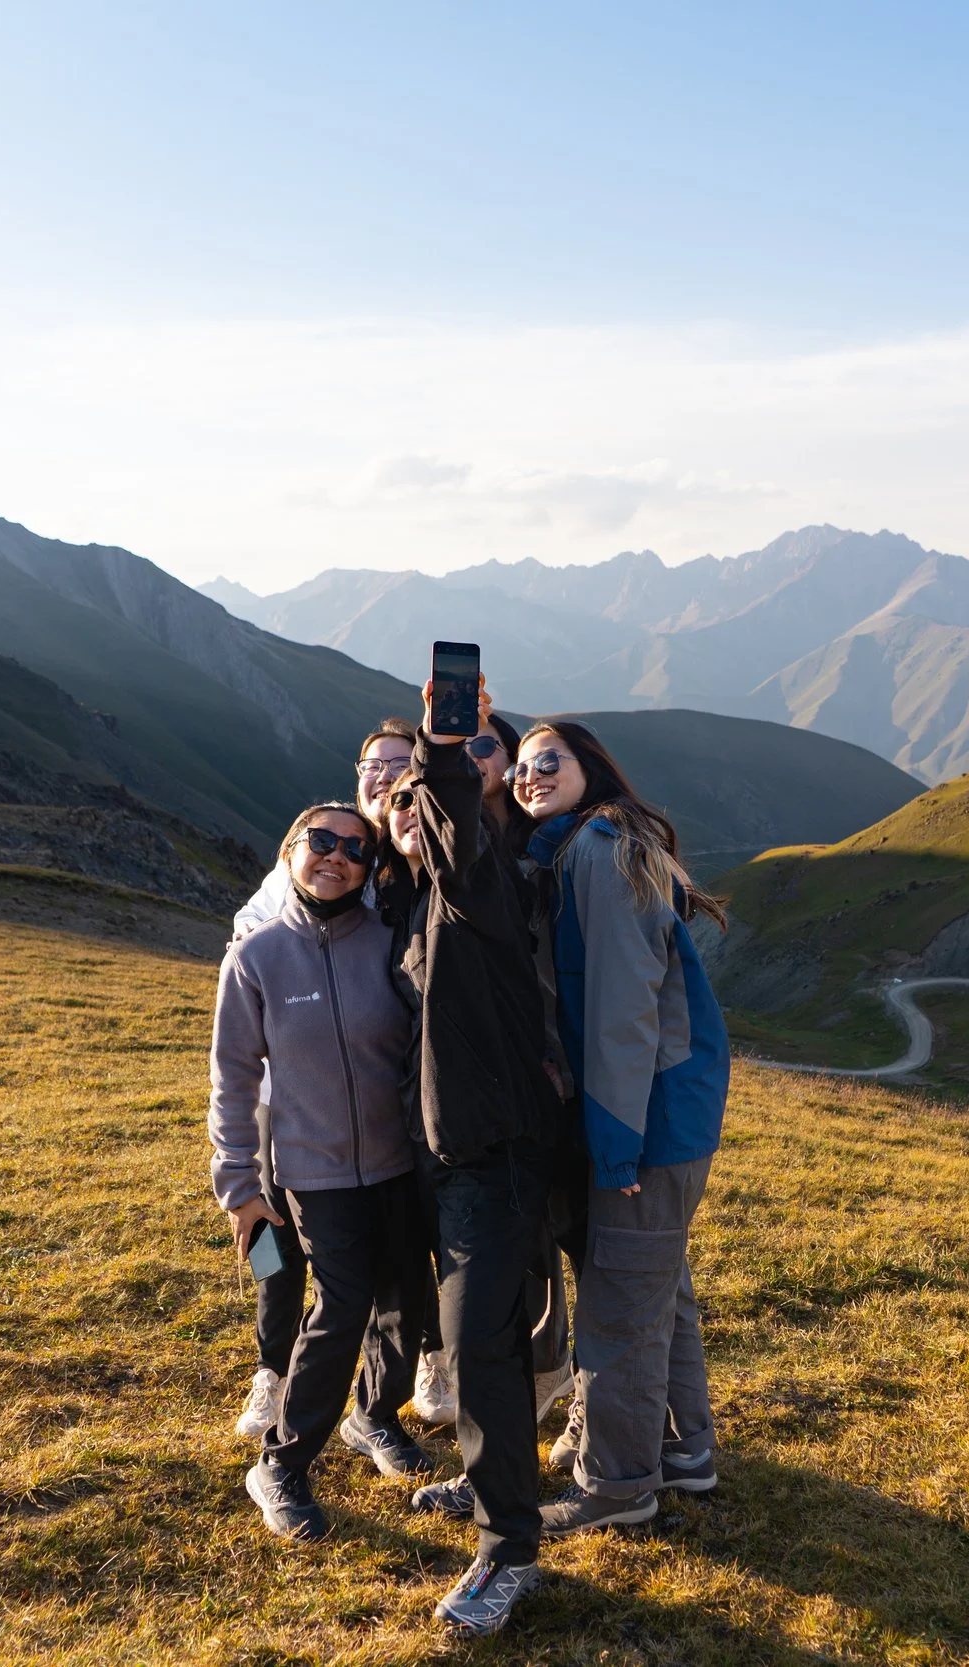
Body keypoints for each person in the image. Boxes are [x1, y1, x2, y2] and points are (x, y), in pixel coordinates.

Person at [512, 719, 730, 1536]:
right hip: (671, 1115)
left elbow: (620, 1016)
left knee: (616, 1308)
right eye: (522, 768)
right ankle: (685, 1451)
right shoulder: (595, 846)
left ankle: (618, 1485)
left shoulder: (598, 854)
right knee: (658, 1289)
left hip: (647, 1122)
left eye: (549, 761)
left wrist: (615, 1149)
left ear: (590, 768)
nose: (530, 775)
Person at [386, 681, 563, 1636]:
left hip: (492, 1158)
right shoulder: (414, 904)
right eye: (405, 803)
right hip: (440, 1157)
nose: (424, 811)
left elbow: (455, 829)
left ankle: (508, 1553)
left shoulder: (487, 887)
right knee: (463, 1339)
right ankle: (494, 1487)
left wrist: (446, 747)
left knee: (480, 1346)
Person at [210, 803, 432, 1542]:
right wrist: (238, 1186)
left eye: (353, 848)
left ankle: (372, 1416)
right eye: (321, 842)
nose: (335, 856)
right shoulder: (257, 956)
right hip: (315, 1171)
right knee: (341, 1308)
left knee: (408, 1301)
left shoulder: (391, 943)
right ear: (291, 851)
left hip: (400, 1161)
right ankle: (281, 1463)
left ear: (370, 868)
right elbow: (233, 1079)